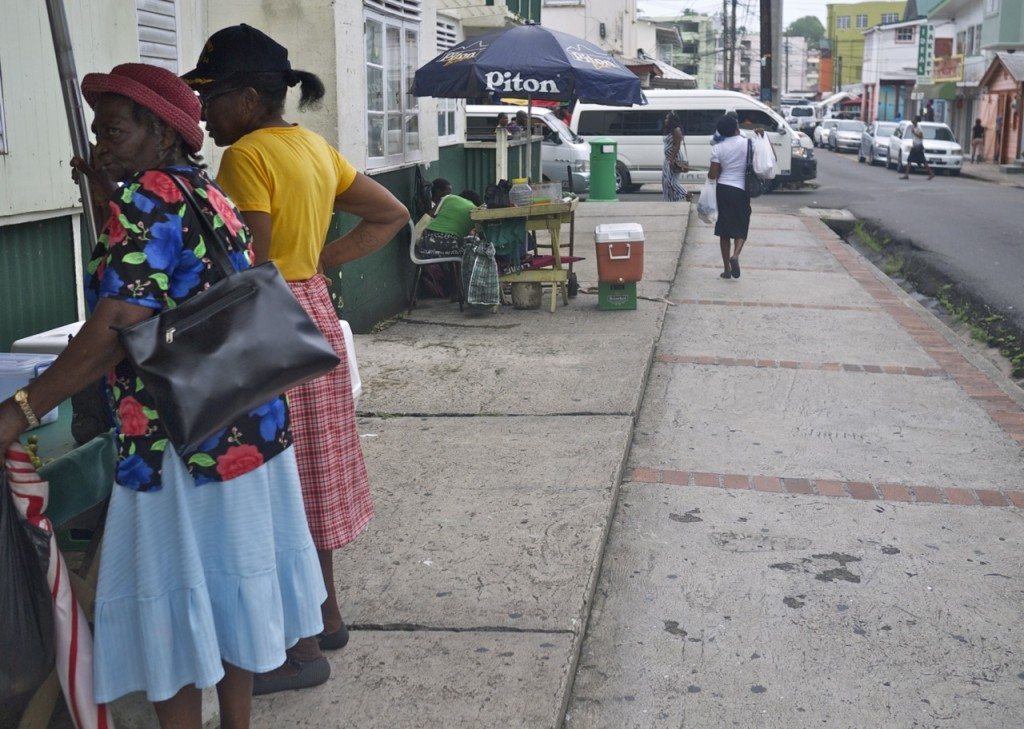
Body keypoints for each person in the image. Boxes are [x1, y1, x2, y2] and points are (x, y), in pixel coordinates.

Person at [0, 63, 326, 727]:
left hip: (178, 442)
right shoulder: (203, 193)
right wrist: (103, 195)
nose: (101, 143)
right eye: (97, 131)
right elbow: (158, 277)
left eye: (115, 129)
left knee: (167, 608)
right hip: (244, 425)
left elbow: (121, 322)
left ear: (161, 131)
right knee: (230, 592)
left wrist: (20, 409)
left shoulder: (149, 197)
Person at [183, 25, 408, 694]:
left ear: (249, 99)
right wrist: (317, 265)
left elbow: (244, 263)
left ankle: (301, 647)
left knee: (278, 479)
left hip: (266, 321)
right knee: (311, 470)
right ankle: (326, 613)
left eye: (210, 96)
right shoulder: (314, 147)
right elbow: (390, 212)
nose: (201, 111)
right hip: (312, 315)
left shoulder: (246, 156)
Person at [707, 114, 751, 280]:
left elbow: (712, 174)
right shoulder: (748, 143)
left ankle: (726, 269)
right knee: (741, 225)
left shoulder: (718, 147)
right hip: (741, 189)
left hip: (723, 189)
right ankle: (736, 255)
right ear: (736, 127)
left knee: (724, 230)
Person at [417, 178, 476, 258]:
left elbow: (429, 216)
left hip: (426, 241)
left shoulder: (450, 199)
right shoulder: (475, 212)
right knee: (472, 250)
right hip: (432, 244)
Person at [661, 111, 690, 202]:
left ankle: (687, 194)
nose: (665, 120)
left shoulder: (676, 130)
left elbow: (677, 146)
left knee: (671, 182)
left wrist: (672, 159)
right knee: (665, 181)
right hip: (668, 159)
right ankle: (669, 200)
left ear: (671, 120)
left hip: (674, 158)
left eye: (667, 118)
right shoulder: (669, 130)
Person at [901, 116, 934, 181]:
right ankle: (906, 175)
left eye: (914, 119)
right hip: (915, 146)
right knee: (910, 160)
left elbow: (921, 137)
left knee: (923, 161)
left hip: (918, 147)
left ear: (916, 120)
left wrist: (914, 133)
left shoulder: (919, 128)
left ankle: (931, 173)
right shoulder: (914, 126)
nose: (912, 120)